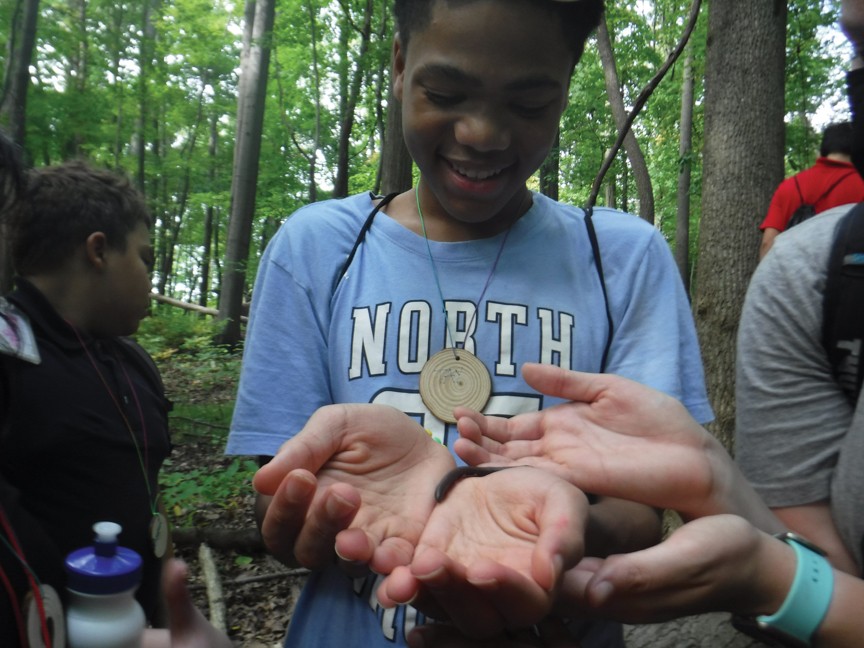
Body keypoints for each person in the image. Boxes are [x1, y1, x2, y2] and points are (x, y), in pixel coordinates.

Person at [227, 0, 712, 645]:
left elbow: (641, 510)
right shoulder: (319, 248)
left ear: (566, 88)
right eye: (447, 91)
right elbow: (276, 495)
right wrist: (320, 517)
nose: (482, 133)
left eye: (529, 104)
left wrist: (560, 529)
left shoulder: (621, 259)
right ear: (400, 65)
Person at [0, 152, 172, 645]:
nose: (150, 280)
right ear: (98, 250)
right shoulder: (9, 360)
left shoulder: (135, 364)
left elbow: (152, 500)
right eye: (144, 258)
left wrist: (165, 616)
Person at [758, 121, 864, 259]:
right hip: (846, 277)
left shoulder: (789, 186)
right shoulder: (860, 187)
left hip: (794, 275)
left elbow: (768, 243)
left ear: (823, 150)